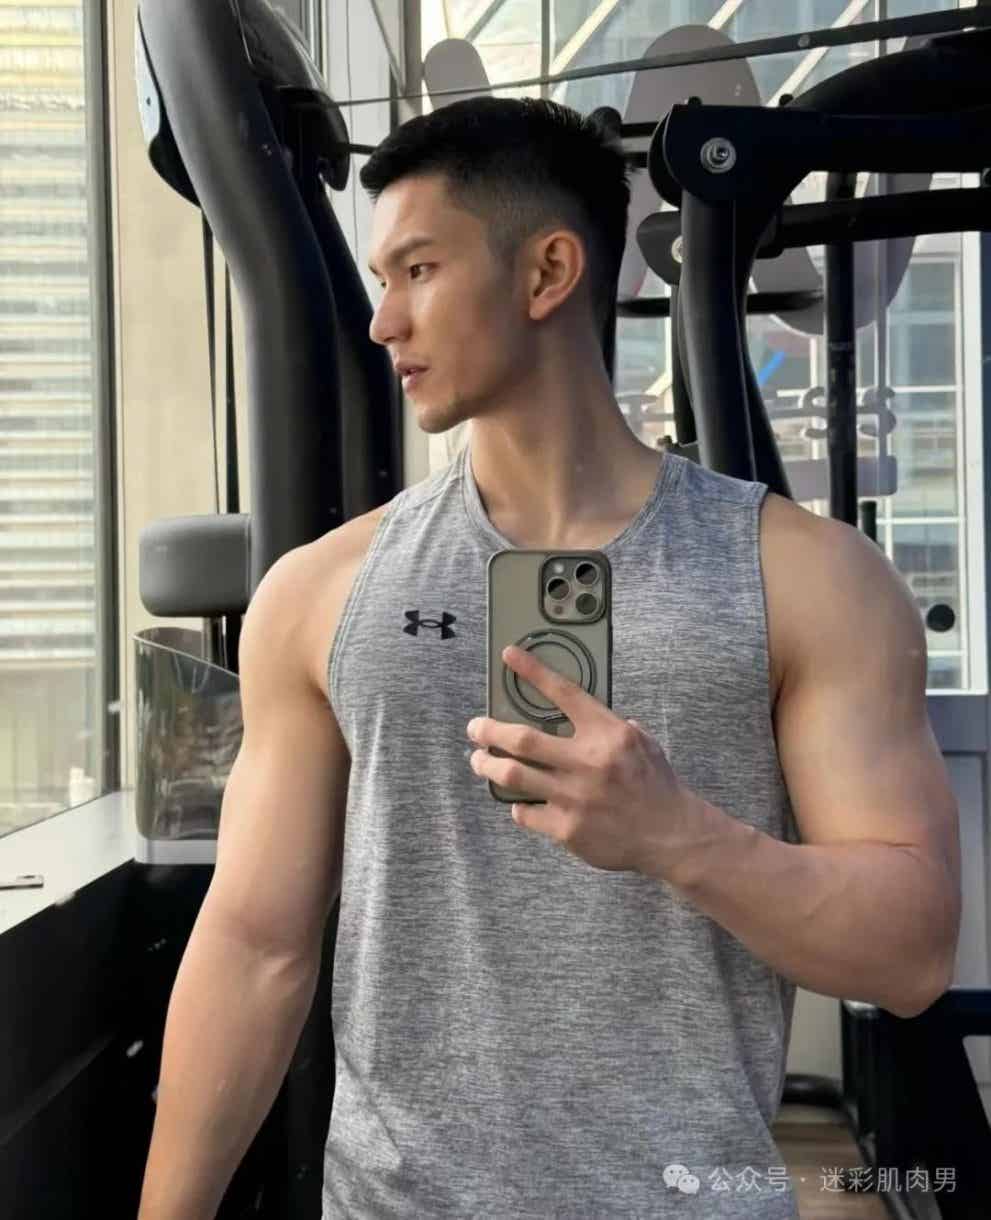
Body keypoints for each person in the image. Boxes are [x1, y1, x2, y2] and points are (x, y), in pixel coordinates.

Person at [138, 97, 960, 1219]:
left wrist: (678, 837)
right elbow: (252, 946)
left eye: (418, 269)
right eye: (381, 279)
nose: (383, 322)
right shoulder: (317, 595)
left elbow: (910, 952)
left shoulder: (811, 580)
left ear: (547, 272)